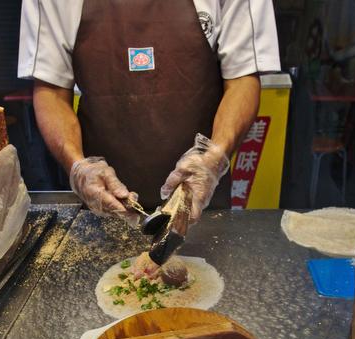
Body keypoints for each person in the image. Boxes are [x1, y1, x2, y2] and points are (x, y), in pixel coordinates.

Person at [18, 0, 280, 223]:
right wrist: (78, 166)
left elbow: (242, 79)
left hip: (201, 200)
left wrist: (212, 160)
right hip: (104, 201)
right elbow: (51, 90)